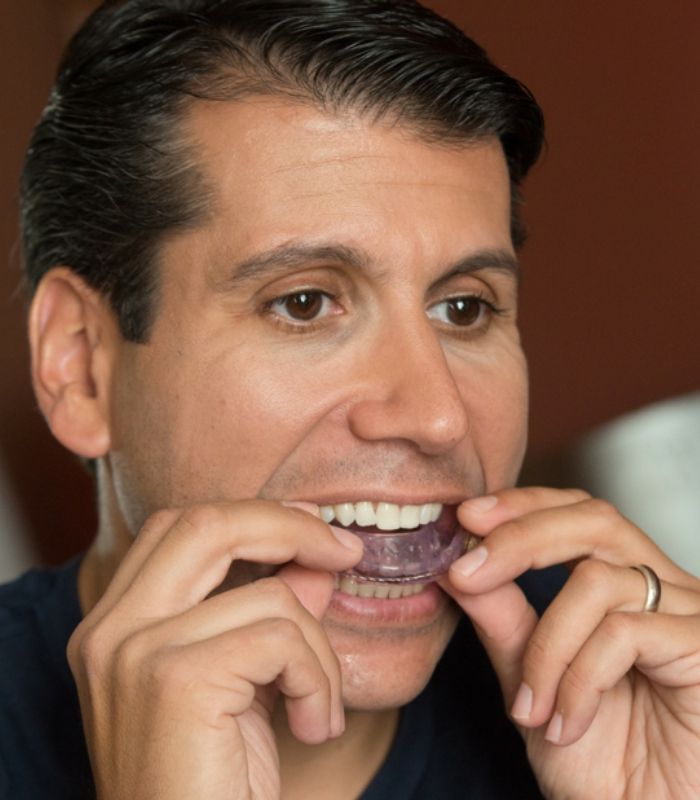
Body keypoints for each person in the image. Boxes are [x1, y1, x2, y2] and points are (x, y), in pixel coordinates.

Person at [3, 0, 699, 797]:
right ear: (82, 368)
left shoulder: (642, 698)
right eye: (303, 303)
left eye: (464, 308)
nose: (437, 416)